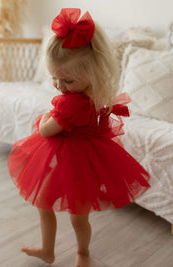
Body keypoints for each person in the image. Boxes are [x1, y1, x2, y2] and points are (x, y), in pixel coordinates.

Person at [8, 8, 150, 267]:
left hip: (79, 165)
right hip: (71, 159)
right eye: (54, 77)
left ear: (91, 74)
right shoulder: (86, 97)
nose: (59, 86)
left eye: (67, 80)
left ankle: (73, 252)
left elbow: (45, 131)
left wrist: (47, 118)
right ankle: (56, 251)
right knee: (59, 208)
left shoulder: (71, 105)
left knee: (72, 215)